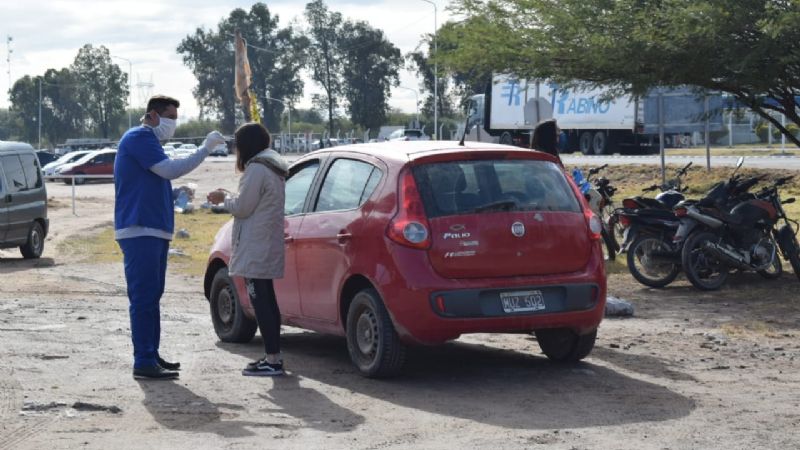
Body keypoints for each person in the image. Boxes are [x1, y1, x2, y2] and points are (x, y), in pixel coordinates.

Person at [115, 95, 225, 380]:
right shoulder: (139, 136)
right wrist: (204, 149)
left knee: (152, 296)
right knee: (143, 298)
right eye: (170, 117)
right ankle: (143, 360)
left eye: (176, 118)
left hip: (153, 229)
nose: (173, 124)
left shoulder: (150, 142)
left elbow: (161, 175)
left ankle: (151, 354)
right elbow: (169, 170)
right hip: (140, 229)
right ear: (152, 116)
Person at [206, 122, 288, 377]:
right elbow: (251, 201)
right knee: (267, 300)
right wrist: (231, 196)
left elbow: (242, 207)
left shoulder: (256, 169)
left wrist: (222, 199)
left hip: (255, 244)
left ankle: (272, 359)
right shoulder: (273, 167)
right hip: (265, 241)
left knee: (261, 302)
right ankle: (272, 356)